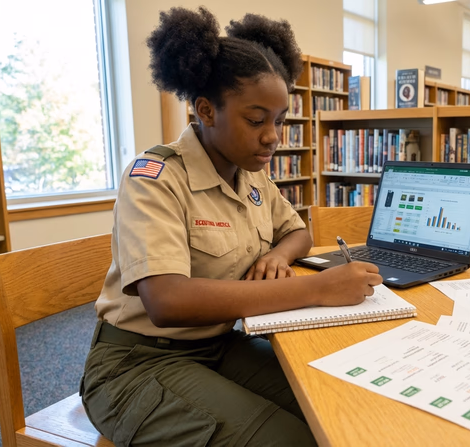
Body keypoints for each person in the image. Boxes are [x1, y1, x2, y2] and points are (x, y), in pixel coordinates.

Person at [80, 7, 382, 446]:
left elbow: (298, 232)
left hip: (217, 347)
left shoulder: (251, 174)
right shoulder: (155, 178)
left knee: (338, 407)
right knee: (292, 440)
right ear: (206, 110)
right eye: (256, 120)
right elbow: (167, 301)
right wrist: (318, 288)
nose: (272, 136)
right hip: (137, 365)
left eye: (279, 121)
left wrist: (278, 254)